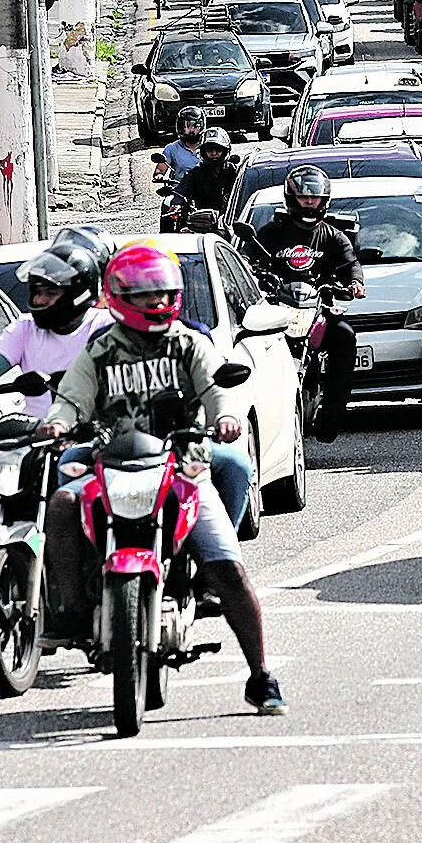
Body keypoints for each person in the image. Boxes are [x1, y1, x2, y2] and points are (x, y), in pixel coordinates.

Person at [41, 245, 283, 715]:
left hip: (184, 468)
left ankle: (260, 676)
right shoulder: (100, 349)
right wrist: (58, 421)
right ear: (118, 296)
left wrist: (227, 417)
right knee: (62, 505)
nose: (155, 304)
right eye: (144, 296)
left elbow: (216, 389)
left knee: (229, 569)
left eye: (163, 295)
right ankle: (69, 609)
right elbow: (72, 397)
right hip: (107, 464)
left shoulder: (189, 344)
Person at [0, 239, 112, 687]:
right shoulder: (27, 329)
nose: (39, 299)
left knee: (91, 511)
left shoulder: (103, 327)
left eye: (49, 291)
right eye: (38, 291)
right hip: (34, 443)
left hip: (89, 441)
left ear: (78, 291)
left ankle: (108, 609)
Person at [251, 165, 366, 441]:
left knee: (345, 337)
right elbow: (250, 257)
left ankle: (331, 414)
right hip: (277, 311)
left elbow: (350, 263)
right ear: (292, 198)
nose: (309, 203)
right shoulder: (271, 232)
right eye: (304, 197)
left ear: (324, 201)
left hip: (317, 312)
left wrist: (355, 283)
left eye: (314, 198)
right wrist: (254, 275)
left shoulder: (333, 236)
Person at [172, 128, 237, 216]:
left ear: (225, 150)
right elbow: (181, 191)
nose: (214, 153)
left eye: (218, 150)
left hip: (231, 218)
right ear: (203, 151)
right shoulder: (195, 173)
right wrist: (177, 204)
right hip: (203, 221)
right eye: (209, 150)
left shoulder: (234, 171)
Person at [157, 108, 205, 185]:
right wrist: (159, 175)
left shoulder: (208, 148)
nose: (192, 129)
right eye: (188, 126)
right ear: (181, 127)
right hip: (179, 190)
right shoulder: (171, 149)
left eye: (196, 126)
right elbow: (160, 170)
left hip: (204, 190)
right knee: (169, 198)